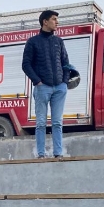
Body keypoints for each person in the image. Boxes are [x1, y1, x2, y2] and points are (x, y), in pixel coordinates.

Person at [22, 10, 69, 159]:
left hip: (59, 88)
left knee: (57, 123)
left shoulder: (59, 41)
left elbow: (66, 63)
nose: (57, 22)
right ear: (45, 22)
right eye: (54, 19)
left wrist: (65, 82)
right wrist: (38, 81)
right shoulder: (33, 42)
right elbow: (26, 64)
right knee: (41, 123)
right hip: (42, 87)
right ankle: (41, 155)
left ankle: (58, 154)